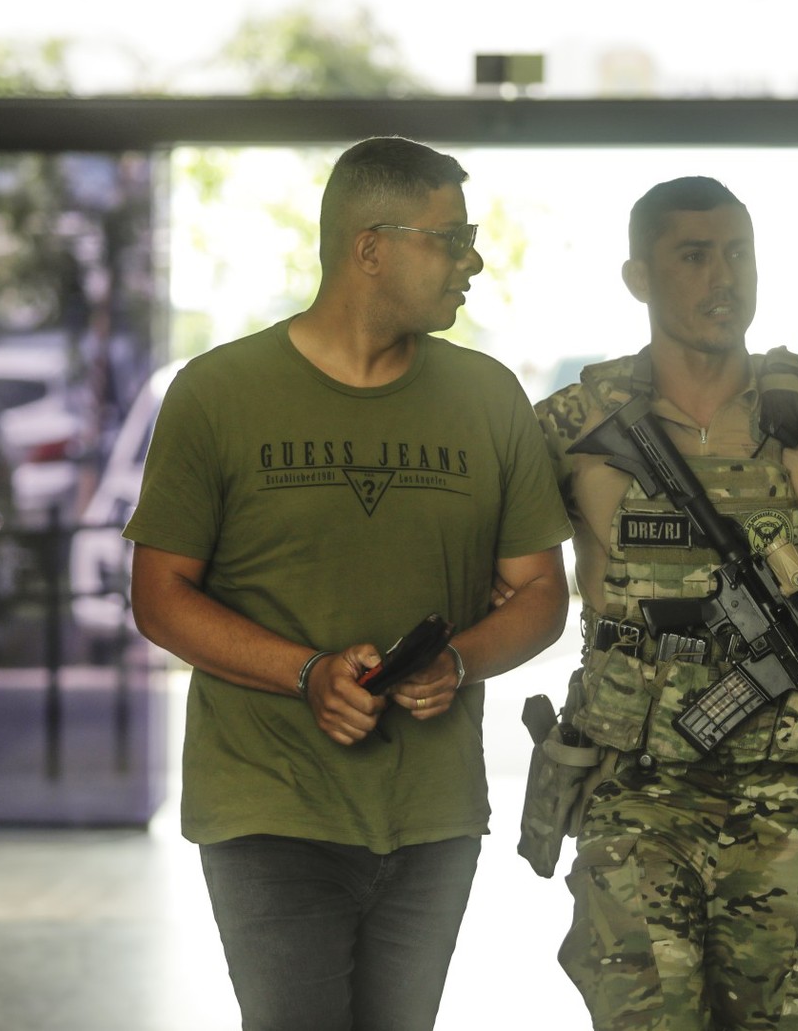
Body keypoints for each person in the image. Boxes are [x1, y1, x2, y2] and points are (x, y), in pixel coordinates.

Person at [124, 136, 573, 1031]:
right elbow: (160, 593)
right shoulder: (219, 393)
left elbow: (541, 594)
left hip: (433, 816)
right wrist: (307, 671)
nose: (472, 260)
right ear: (371, 246)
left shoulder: (489, 399)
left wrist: (460, 659)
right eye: (452, 237)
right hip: (268, 804)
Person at [532, 175, 798, 1031]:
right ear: (639, 277)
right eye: (693, 256)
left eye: (738, 254)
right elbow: (497, 569)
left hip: (787, 792)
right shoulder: (571, 424)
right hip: (632, 785)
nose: (724, 277)